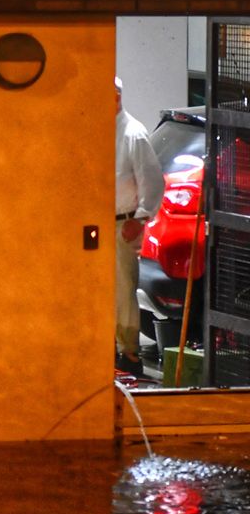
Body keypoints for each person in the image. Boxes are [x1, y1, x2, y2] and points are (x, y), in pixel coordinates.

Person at [115, 77, 164, 375]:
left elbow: (153, 181)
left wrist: (141, 217)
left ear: (116, 97)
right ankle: (107, 347)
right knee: (99, 289)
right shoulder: (97, 126)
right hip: (95, 222)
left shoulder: (133, 133)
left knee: (122, 289)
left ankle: (128, 353)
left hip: (122, 223)